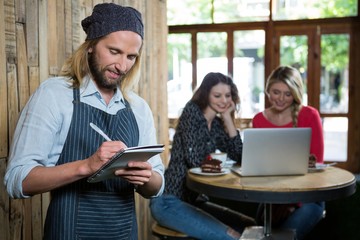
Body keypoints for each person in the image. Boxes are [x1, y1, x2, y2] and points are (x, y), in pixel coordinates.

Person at [4, 3, 164, 240]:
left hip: (125, 233)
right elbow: (18, 180)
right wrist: (87, 166)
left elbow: (157, 186)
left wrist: (146, 177)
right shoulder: (55, 94)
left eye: (131, 57)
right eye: (114, 51)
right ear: (91, 46)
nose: (122, 66)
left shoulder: (139, 108)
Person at [150, 72, 256, 240]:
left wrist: (228, 118)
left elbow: (241, 156)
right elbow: (195, 161)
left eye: (227, 95)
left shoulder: (215, 125)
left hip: (195, 202)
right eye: (217, 95)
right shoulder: (191, 113)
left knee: (251, 227)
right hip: (169, 202)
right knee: (232, 236)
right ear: (206, 94)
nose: (223, 100)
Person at [252, 65, 325, 240]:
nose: (281, 99)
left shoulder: (309, 115)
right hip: (272, 199)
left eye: (288, 93)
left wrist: (293, 203)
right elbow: (261, 167)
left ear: (296, 94)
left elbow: (316, 166)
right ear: (268, 90)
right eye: (276, 92)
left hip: (308, 198)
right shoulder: (259, 120)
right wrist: (280, 202)